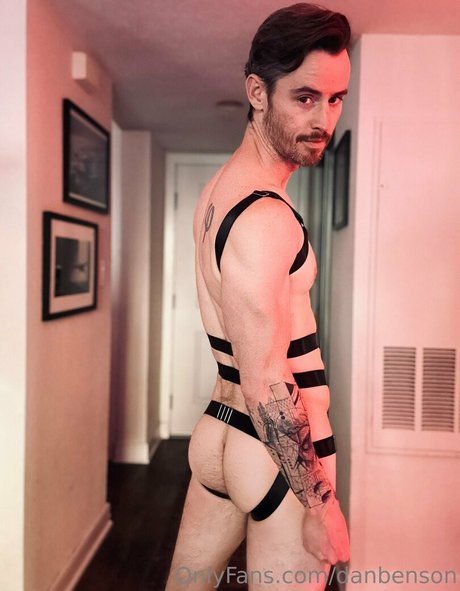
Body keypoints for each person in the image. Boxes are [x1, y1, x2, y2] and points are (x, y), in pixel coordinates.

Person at [165, 3, 351, 590]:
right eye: (305, 97)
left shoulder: (217, 191)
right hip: (276, 454)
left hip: (218, 432)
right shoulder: (265, 216)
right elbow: (268, 380)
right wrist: (321, 505)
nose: (324, 118)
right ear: (257, 92)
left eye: (336, 99)